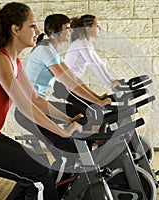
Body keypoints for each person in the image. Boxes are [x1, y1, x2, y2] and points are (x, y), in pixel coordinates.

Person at [0, 3, 82, 200]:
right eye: (32, 26)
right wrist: (62, 131)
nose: (38, 32)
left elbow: (35, 99)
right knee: (39, 176)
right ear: (15, 29)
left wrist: (68, 119)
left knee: (39, 167)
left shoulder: (15, 62)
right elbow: (24, 106)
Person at [15, 14, 111, 198]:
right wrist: (97, 102)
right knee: (69, 152)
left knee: (83, 117)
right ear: (56, 31)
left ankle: (63, 186)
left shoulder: (53, 50)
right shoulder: (45, 50)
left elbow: (74, 78)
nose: (71, 30)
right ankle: (52, 191)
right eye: (67, 27)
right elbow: (69, 83)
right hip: (28, 111)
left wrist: (97, 98)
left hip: (39, 104)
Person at [65, 14, 121, 90]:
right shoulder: (81, 43)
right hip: (65, 85)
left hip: (72, 83)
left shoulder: (87, 44)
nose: (100, 29)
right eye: (97, 25)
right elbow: (94, 65)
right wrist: (109, 85)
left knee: (98, 100)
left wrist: (111, 80)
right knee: (95, 101)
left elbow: (99, 63)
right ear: (88, 29)